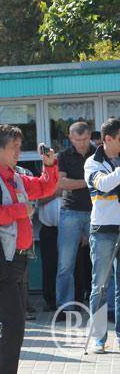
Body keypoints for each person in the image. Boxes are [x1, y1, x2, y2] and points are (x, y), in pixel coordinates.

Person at [0, 124, 58, 371]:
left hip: (15, 261)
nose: (19, 151)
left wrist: (49, 165)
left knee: (10, 326)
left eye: (20, 146)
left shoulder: (14, 176)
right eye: (14, 147)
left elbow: (45, 187)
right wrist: (20, 210)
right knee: (12, 325)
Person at [84, 118, 120, 354]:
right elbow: (103, 185)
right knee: (100, 286)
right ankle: (99, 338)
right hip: (103, 231)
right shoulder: (92, 162)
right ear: (108, 139)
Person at [55, 121, 95, 312]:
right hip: (70, 211)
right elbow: (61, 183)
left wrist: (75, 183)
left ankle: (105, 307)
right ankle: (65, 308)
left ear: (90, 136)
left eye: (85, 139)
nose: (82, 143)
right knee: (65, 264)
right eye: (78, 140)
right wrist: (89, 182)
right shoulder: (63, 155)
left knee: (103, 263)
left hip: (96, 212)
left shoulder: (99, 153)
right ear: (71, 138)